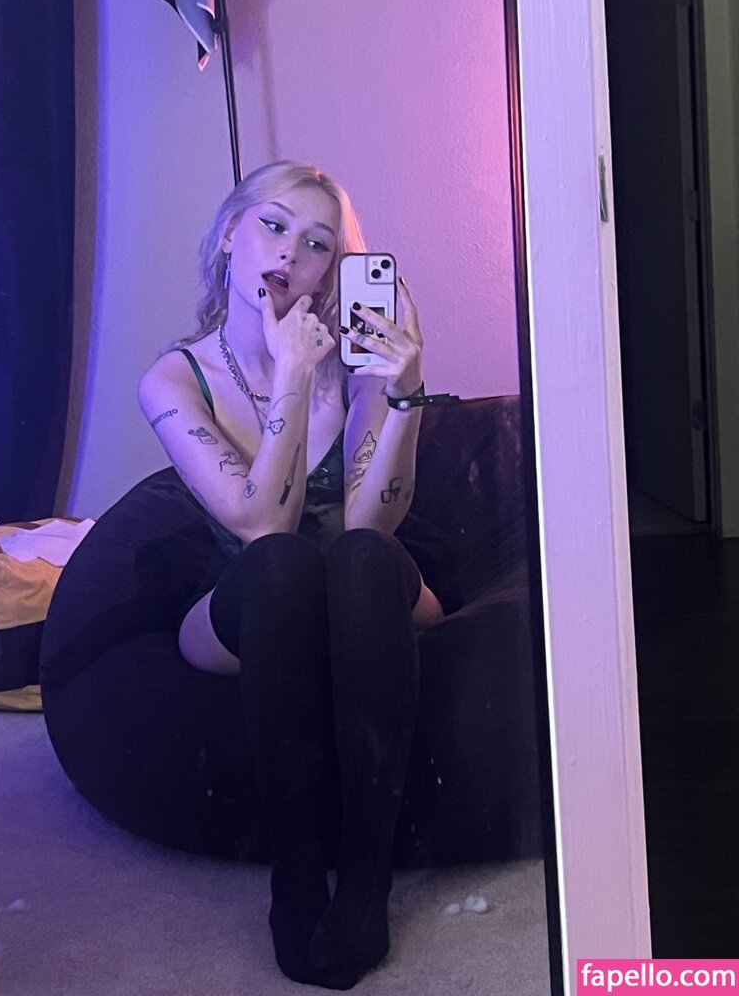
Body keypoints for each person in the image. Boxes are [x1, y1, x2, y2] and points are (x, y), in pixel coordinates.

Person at [138, 160, 444, 990]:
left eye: (317, 244)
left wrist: (404, 392)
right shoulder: (174, 379)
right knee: (281, 563)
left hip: (363, 588)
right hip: (252, 596)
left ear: (331, 271)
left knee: (354, 556)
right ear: (229, 236)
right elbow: (259, 526)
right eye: (272, 226)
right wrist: (292, 380)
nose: (289, 253)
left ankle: (368, 880)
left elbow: (373, 523)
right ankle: (297, 876)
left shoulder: (357, 362)